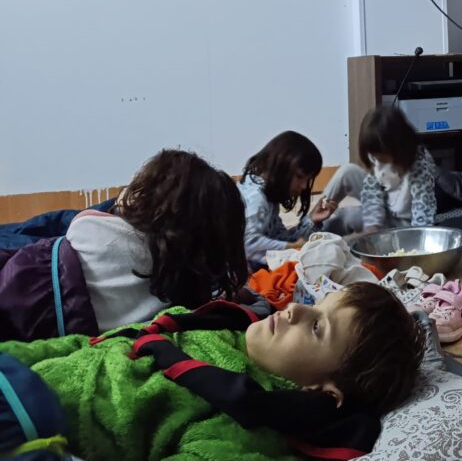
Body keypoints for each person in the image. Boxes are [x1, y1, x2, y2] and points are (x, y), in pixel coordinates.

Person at [0, 282, 426, 461]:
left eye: (318, 328)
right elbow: (87, 347)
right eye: (313, 304)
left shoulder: (246, 443)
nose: (295, 309)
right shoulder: (206, 325)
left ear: (321, 392)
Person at [0, 149, 250, 339]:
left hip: (31, 287)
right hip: (73, 321)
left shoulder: (92, 225)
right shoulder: (185, 292)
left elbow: (83, 221)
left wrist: (126, 201)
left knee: (51, 225)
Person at [239, 131, 335, 268]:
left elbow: (277, 237)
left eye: (307, 180)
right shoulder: (256, 198)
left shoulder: (268, 196)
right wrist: (291, 247)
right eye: (299, 176)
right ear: (280, 167)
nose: (303, 186)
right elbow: (247, 245)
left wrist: (311, 220)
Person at [357, 106, 438, 232]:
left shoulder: (419, 164)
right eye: (374, 155)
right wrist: (372, 228)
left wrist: (418, 236)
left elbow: (423, 209)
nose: (377, 159)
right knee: (348, 216)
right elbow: (371, 194)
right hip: (385, 215)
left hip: (407, 222)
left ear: (398, 146)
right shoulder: (375, 157)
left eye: (381, 154)